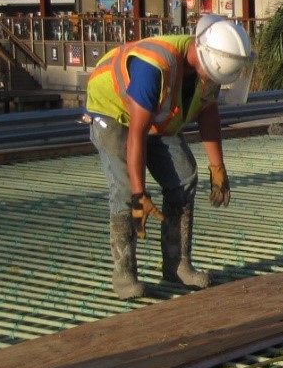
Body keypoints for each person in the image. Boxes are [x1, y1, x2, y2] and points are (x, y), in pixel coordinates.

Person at [84, 16, 254, 300]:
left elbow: (207, 110)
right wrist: (139, 193)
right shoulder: (154, 67)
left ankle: (177, 264)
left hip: (152, 113)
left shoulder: (209, 64)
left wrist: (218, 167)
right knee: (125, 189)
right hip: (112, 111)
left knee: (184, 176)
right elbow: (136, 134)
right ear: (200, 55)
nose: (212, 82)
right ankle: (124, 274)